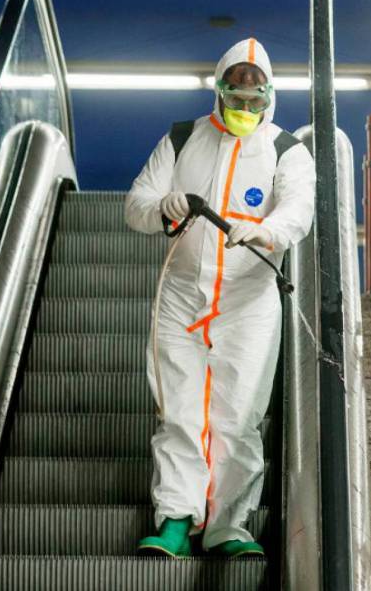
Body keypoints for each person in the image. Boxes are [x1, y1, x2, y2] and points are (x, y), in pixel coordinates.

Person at [124, 37, 315, 559]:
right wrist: (164, 207)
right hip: (181, 296)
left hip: (248, 303)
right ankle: (175, 519)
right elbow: (136, 206)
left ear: (270, 96)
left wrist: (267, 231)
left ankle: (228, 526)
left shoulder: (286, 150)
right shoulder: (182, 138)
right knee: (179, 411)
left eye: (255, 100)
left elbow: (298, 210)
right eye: (236, 98)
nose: (245, 108)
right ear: (219, 91)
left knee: (238, 415)